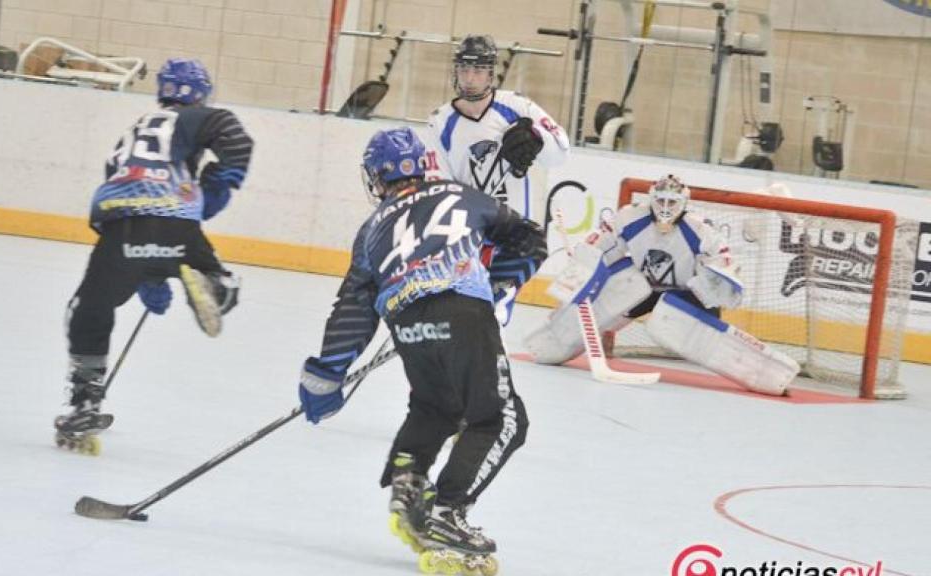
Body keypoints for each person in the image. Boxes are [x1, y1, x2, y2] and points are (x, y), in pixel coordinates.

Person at [296, 127, 547, 570]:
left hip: (405, 321)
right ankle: (447, 512)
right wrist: (499, 283)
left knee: (436, 406)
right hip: (464, 313)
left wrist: (328, 373)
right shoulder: (463, 196)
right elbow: (528, 238)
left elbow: (354, 306)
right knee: (502, 419)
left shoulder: (371, 229)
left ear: (376, 177)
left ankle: (408, 482)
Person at [55, 58, 253, 453]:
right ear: (201, 94)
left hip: (123, 229)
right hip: (178, 223)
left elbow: (122, 184)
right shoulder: (191, 118)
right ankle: (217, 285)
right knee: (204, 265)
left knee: (88, 309)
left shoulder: (135, 132)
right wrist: (220, 184)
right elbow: (234, 135)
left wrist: (145, 274)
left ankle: (85, 400)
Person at [524, 175, 799, 396]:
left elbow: (724, 267)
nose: (666, 207)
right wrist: (583, 267)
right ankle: (549, 343)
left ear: (684, 203)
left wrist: (713, 283)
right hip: (645, 289)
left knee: (674, 317)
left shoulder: (700, 230)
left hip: (686, 295)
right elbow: (600, 247)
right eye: (661, 200)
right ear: (651, 199)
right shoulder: (630, 217)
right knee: (629, 284)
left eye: (672, 201)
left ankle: (768, 374)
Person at [424, 34, 570, 220]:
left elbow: (560, 155)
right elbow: (437, 186)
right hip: (467, 230)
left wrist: (538, 139)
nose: (469, 79)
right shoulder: (439, 122)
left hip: (516, 228)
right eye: (464, 69)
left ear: (490, 74)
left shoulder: (518, 107)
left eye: (478, 70)